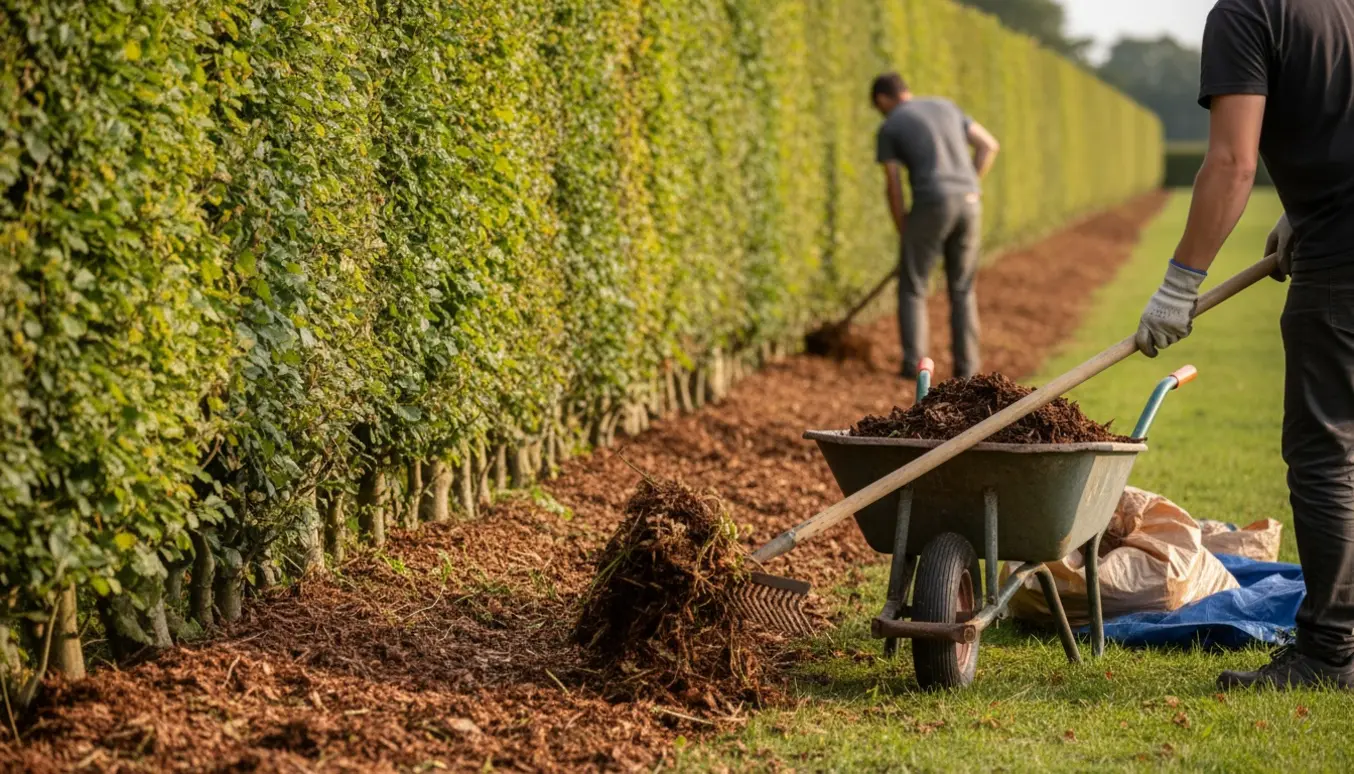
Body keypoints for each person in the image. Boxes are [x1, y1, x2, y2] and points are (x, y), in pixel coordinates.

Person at [1135, 0, 1354, 690]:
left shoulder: (1245, 12)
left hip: (1342, 266)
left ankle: (1330, 654)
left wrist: (1180, 283)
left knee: (1327, 455)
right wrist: (1302, 208)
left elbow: (1233, 162)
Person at [872, 72, 1000, 380]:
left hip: (931, 202)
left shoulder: (890, 125)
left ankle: (913, 367)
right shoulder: (947, 107)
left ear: (882, 100)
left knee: (913, 286)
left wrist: (904, 226)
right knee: (963, 287)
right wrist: (968, 184)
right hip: (971, 202)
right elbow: (989, 145)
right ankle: (967, 370)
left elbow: (893, 184)